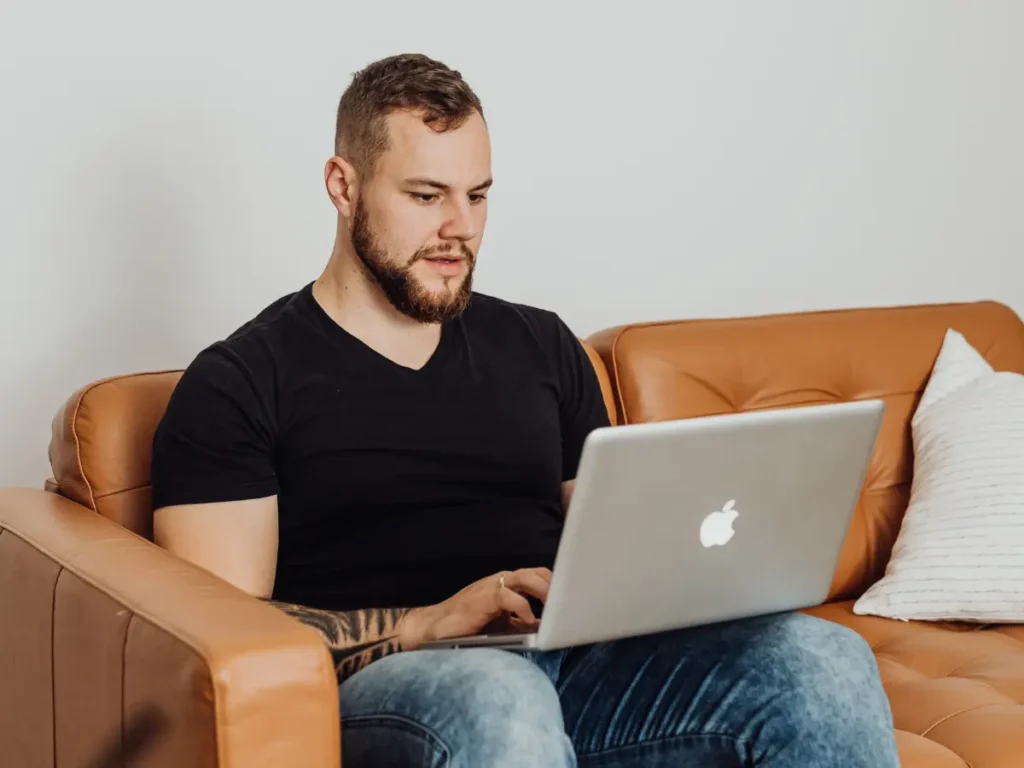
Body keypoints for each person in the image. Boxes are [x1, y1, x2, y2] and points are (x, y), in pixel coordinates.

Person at [150, 53, 901, 767]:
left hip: (569, 667)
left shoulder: (539, 343)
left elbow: (615, 540)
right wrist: (424, 625)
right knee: (498, 695)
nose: (461, 227)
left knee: (821, 658)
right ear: (342, 186)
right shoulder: (239, 382)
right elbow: (212, 638)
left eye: (477, 196)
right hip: (393, 689)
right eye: (425, 196)